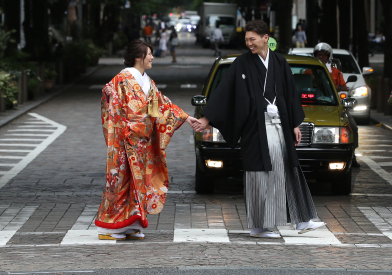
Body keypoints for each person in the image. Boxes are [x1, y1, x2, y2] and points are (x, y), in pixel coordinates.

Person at [193, 20, 325, 239]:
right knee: (260, 175)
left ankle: (302, 219)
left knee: (289, 166)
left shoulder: (280, 62)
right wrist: (207, 118)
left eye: (252, 39)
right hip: (256, 127)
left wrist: (294, 124)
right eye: (246, 40)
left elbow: (291, 94)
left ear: (266, 38)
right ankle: (259, 226)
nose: (249, 43)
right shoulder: (241, 64)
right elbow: (225, 91)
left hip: (279, 124)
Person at [95, 40, 200, 240]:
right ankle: (108, 227)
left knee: (139, 183)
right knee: (120, 183)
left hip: (142, 141)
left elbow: (163, 104)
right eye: (149, 54)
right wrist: (114, 102)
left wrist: (186, 117)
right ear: (138, 57)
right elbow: (111, 100)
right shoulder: (122, 78)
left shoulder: (147, 81)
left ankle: (130, 223)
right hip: (126, 139)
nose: (152, 57)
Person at [312, 43, 358, 151]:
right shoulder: (309, 71)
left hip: (334, 105)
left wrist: (330, 87)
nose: (321, 57)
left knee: (353, 127)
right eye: (318, 55)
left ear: (329, 56)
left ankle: (352, 152)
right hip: (313, 105)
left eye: (323, 55)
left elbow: (344, 88)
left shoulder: (336, 72)